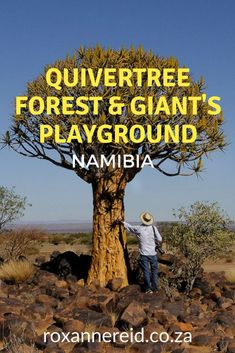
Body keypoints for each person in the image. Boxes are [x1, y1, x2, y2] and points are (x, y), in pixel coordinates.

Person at [120, 212, 162, 293]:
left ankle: (148, 289)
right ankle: (155, 288)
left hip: (144, 254)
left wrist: (122, 222)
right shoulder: (153, 228)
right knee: (154, 271)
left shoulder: (139, 228)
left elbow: (129, 227)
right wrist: (154, 241)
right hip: (153, 253)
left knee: (146, 271)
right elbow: (160, 239)